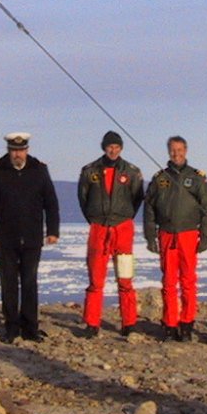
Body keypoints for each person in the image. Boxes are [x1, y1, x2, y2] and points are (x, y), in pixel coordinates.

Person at [0, 132, 59, 343]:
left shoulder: (39, 170)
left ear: (27, 150)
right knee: (8, 283)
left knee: (29, 282)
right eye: (14, 150)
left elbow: (50, 203)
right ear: (8, 151)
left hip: (32, 237)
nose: (17, 154)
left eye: (21, 150)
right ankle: (11, 327)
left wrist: (52, 231)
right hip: (6, 238)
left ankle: (30, 327)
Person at [143, 135, 207, 340]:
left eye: (180, 150)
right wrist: (150, 236)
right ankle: (169, 323)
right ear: (168, 152)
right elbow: (149, 208)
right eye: (173, 150)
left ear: (186, 150)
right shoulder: (160, 178)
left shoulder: (196, 178)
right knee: (168, 281)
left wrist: (205, 236)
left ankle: (186, 323)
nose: (176, 154)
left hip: (189, 234)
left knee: (188, 281)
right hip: (166, 234)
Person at [76, 130, 145, 338]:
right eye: (109, 146)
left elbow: (137, 198)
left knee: (125, 277)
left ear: (121, 148)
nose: (113, 150)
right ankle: (91, 323)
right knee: (96, 278)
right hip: (99, 228)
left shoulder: (132, 172)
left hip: (123, 228)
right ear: (104, 147)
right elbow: (83, 198)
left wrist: (124, 216)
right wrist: (95, 217)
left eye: (116, 147)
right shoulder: (90, 171)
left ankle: (129, 322)